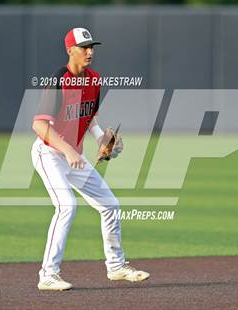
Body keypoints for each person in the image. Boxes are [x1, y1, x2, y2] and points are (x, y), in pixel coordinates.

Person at [31, 27, 149, 291]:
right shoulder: (58, 80)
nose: (89, 51)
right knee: (66, 206)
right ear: (69, 50)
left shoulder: (94, 79)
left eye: (91, 47)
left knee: (109, 204)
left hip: (74, 156)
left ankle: (116, 267)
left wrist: (100, 138)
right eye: (83, 47)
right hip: (49, 154)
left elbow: (89, 116)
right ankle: (47, 274)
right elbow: (39, 126)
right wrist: (70, 150)